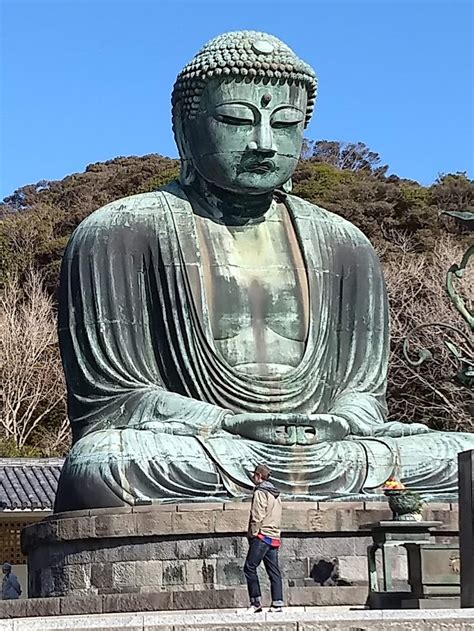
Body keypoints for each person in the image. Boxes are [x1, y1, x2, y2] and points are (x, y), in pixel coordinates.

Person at [54, 30, 474, 512]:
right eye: (237, 120)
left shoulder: (344, 243)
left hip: (331, 450)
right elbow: (112, 404)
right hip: (203, 446)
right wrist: (228, 423)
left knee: (460, 456)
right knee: (105, 463)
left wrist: (338, 422)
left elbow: (363, 396)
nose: (264, 145)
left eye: (286, 124)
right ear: (184, 130)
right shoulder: (120, 232)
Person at [244, 464, 283, 613]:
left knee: (249, 567)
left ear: (259, 477)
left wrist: (253, 534)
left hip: (262, 535)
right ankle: (277, 602)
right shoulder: (275, 493)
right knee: (273, 570)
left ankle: (255, 602)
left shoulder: (261, 492)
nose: (253, 478)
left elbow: (257, 516)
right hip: (274, 535)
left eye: (254, 475)